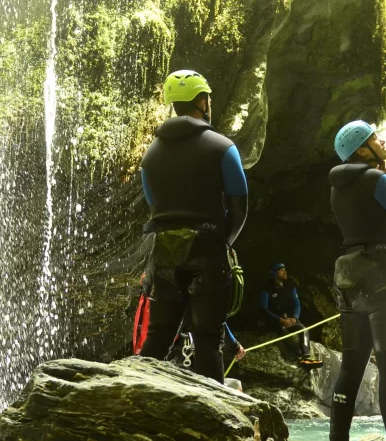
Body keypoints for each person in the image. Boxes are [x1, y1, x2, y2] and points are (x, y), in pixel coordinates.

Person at [137, 70, 248, 384]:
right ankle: (214, 427)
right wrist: (222, 243)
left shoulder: (150, 156)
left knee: (157, 338)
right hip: (208, 251)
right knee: (208, 340)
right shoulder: (222, 147)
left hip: (164, 256)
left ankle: (131, 404)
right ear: (202, 101)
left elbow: (154, 206)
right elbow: (239, 207)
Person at [328, 120, 386, 441]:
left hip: (351, 284)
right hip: (383, 282)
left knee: (351, 367)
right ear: (362, 150)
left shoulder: (336, 187)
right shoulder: (376, 179)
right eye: (373, 138)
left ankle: (337, 437)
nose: (381, 141)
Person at [259, 263, 322, 367]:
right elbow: (264, 309)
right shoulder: (266, 289)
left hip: (289, 318)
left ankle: (307, 356)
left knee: (303, 329)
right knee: (283, 331)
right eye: (281, 270)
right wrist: (280, 320)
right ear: (274, 273)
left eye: (285, 269)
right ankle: (299, 355)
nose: (285, 272)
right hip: (275, 321)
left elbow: (297, 304)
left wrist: (295, 318)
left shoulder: (290, 286)